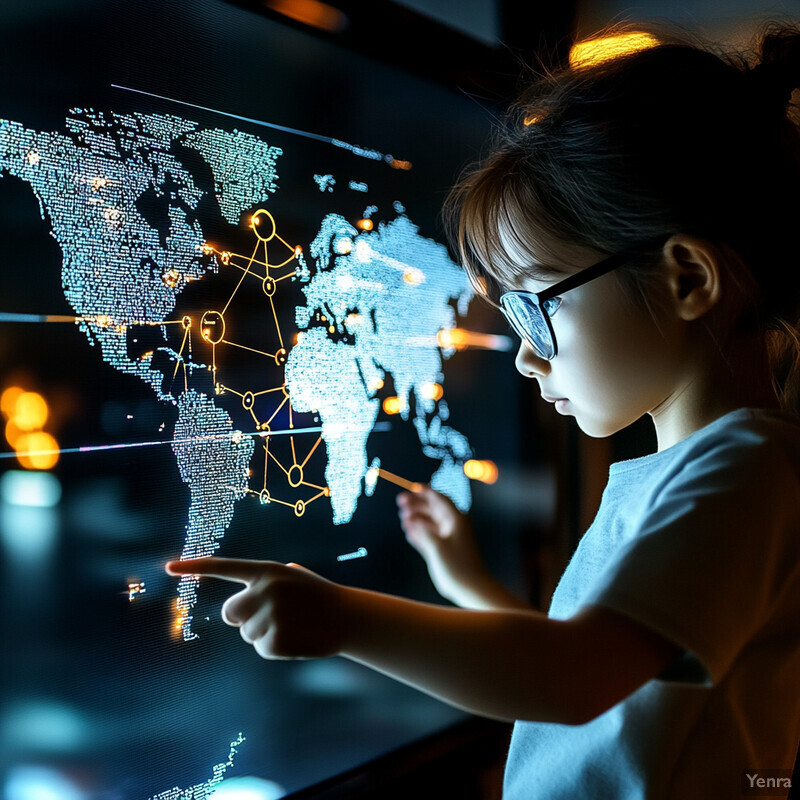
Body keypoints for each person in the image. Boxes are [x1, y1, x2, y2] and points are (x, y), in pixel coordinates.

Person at [167, 22, 800, 799]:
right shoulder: (710, 469)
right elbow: (625, 668)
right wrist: (470, 584)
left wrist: (347, 620)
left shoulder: (742, 473)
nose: (526, 358)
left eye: (537, 311)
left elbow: (576, 679)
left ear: (687, 280)